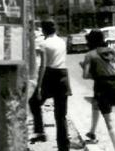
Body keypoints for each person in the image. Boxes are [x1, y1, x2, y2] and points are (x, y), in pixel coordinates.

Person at [29, 19, 72, 151]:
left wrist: (40, 86)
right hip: (63, 75)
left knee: (34, 102)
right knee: (61, 115)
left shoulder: (44, 44)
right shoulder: (61, 41)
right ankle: (64, 146)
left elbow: (42, 66)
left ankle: (40, 131)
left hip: (50, 75)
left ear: (43, 30)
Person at [81, 29, 115, 151]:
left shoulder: (90, 55)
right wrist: (114, 77)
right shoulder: (111, 51)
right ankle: (92, 133)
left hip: (101, 87)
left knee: (109, 119)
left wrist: (97, 75)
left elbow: (85, 75)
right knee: (95, 104)